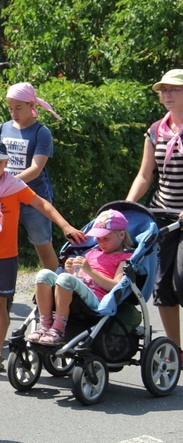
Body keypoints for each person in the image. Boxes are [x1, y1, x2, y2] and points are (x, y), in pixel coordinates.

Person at [0, 140, 83, 373]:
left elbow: (42, 204)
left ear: (5, 163)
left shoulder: (15, 187)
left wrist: (65, 226)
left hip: (2, 258)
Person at [126, 69, 183, 358]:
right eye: (164, 90)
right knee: (162, 286)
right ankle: (176, 350)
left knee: (181, 279)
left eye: (174, 90)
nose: (168, 95)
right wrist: (126, 206)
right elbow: (145, 175)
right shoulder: (155, 130)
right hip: (162, 215)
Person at [27, 210, 133, 344]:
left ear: (121, 235)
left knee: (65, 279)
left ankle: (58, 330)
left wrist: (90, 271)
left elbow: (116, 286)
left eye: (106, 238)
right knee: (44, 275)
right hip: (79, 290)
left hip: (97, 297)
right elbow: (77, 278)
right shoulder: (92, 253)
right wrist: (71, 270)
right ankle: (45, 325)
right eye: (98, 239)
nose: (101, 242)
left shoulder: (124, 259)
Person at [0, 82, 62, 272]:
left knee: (42, 245)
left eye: (18, 108)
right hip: (4, 197)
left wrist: (8, 183)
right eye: (10, 108)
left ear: (31, 105)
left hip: (34, 198)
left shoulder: (41, 133)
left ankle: (53, 289)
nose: (14, 113)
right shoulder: (1, 129)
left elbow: (35, 168)